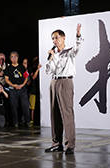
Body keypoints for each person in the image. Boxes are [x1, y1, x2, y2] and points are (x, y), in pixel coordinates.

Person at [44, 23, 83, 155]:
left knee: (67, 114)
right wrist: (50, 58)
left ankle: (70, 144)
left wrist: (78, 35)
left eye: (56, 37)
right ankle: (56, 144)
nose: (54, 40)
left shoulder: (70, 52)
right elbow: (48, 71)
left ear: (63, 38)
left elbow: (77, 47)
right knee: (54, 114)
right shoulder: (54, 54)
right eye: (52, 39)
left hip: (66, 82)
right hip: (54, 82)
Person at [4, 51, 30, 128]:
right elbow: (6, 79)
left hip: (22, 90)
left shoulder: (22, 67)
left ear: (18, 58)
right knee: (13, 106)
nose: (14, 58)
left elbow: (26, 77)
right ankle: (15, 122)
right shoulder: (8, 68)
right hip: (13, 89)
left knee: (25, 105)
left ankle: (27, 121)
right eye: (12, 57)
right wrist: (14, 85)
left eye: (15, 56)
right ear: (10, 58)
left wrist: (22, 85)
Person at [28, 57, 42, 126]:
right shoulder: (31, 69)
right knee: (32, 107)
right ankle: (31, 120)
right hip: (33, 90)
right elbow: (33, 77)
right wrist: (38, 69)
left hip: (39, 90)